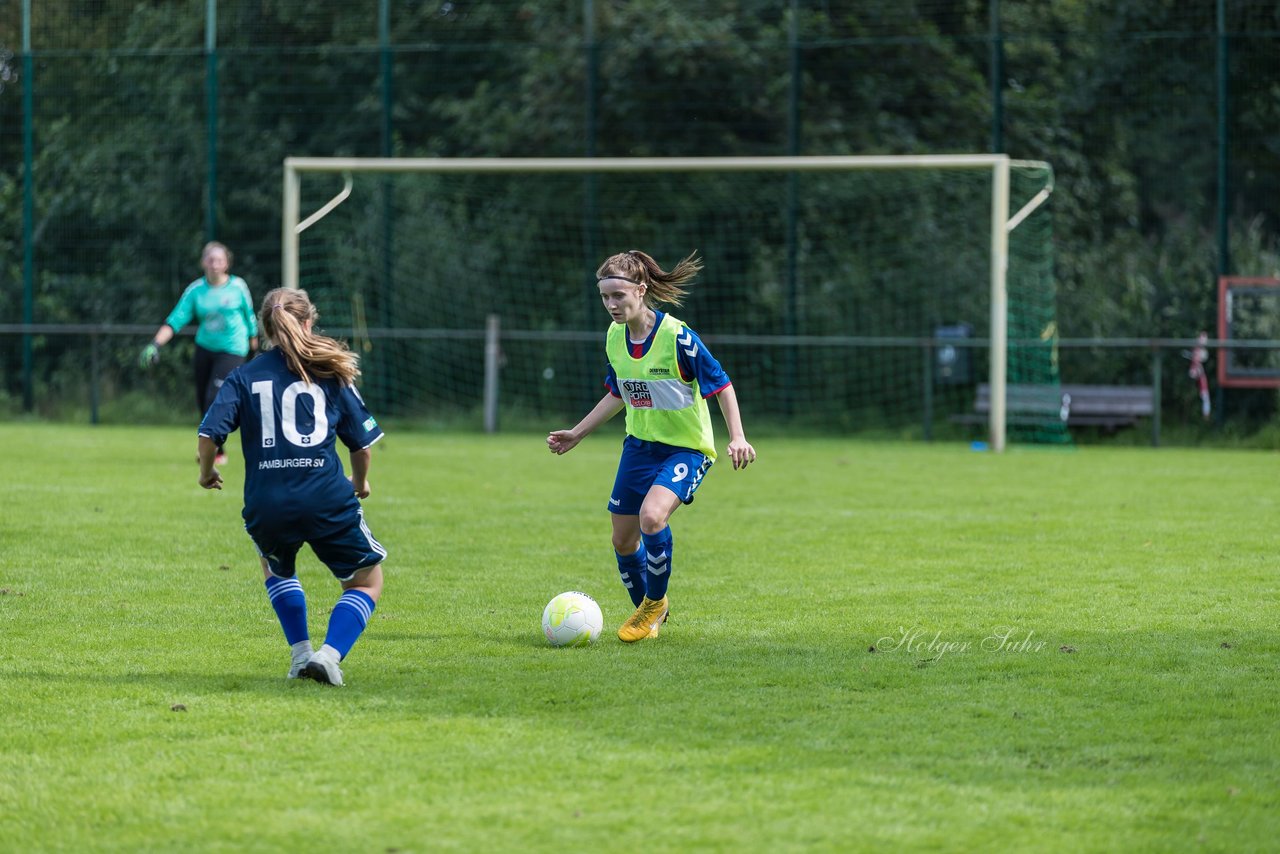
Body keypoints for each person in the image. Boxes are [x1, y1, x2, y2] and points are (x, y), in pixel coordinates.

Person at [547, 250, 756, 642]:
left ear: (641, 291)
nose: (611, 304)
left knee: (652, 518)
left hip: (686, 449)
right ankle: (649, 612)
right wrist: (577, 433)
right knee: (623, 540)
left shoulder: (677, 337)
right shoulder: (614, 337)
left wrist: (737, 437)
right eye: (605, 297)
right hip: (639, 448)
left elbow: (721, 385)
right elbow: (619, 392)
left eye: (619, 296)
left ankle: (654, 604)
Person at [197, 287, 386, 686]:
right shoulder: (331, 371)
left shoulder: (243, 376)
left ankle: (301, 654)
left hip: (267, 502)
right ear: (307, 322)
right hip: (326, 496)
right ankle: (329, 656)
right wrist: (361, 482)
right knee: (367, 580)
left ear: (265, 329)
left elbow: (209, 434)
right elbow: (362, 446)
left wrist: (206, 472)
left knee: (276, 568)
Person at [142, 241, 258, 465]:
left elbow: (250, 318)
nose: (215, 264)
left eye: (220, 260)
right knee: (202, 401)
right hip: (205, 349)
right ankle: (218, 449)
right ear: (204, 262)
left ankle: (213, 449)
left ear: (227, 264)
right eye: (211, 259)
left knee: (213, 398)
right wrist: (155, 344)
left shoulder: (238, 287)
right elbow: (176, 319)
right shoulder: (196, 290)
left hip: (233, 349)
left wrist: (254, 351)